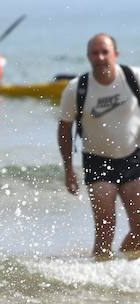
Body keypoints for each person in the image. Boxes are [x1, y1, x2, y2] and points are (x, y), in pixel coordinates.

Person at [57, 33, 140, 260]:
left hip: (133, 157)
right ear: (88, 57)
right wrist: (68, 170)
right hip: (98, 161)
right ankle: (98, 279)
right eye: (95, 53)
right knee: (105, 230)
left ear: (116, 54)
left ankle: (124, 267)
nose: (101, 57)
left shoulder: (133, 77)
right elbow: (64, 130)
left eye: (105, 52)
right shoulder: (77, 88)